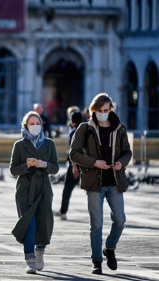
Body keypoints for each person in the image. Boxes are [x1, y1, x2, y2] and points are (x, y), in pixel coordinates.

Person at [69, 93, 132, 275]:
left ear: (111, 109)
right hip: (94, 183)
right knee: (96, 224)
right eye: (99, 111)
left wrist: (121, 162)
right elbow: (74, 154)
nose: (103, 114)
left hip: (115, 181)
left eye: (106, 110)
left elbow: (127, 152)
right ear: (93, 110)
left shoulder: (120, 128)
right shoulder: (84, 128)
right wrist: (94, 162)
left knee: (120, 220)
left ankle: (109, 248)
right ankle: (96, 260)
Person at [9, 111, 59, 274]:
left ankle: (40, 253)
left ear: (42, 125)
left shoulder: (49, 144)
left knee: (44, 224)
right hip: (25, 190)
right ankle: (29, 259)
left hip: (44, 189)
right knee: (29, 225)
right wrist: (27, 165)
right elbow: (13, 170)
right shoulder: (19, 145)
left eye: (37, 123)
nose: (35, 126)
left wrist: (44, 164)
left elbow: (55, 168)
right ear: (25, 126)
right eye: (31, 123)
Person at [54, 110, 83, 220]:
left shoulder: (73, 132)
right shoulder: (88, 130)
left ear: (73, 121)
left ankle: (63, 211)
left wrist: (74, 166)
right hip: (88, 165)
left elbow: (73, 150)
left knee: (67, 189)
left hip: (76, 165)